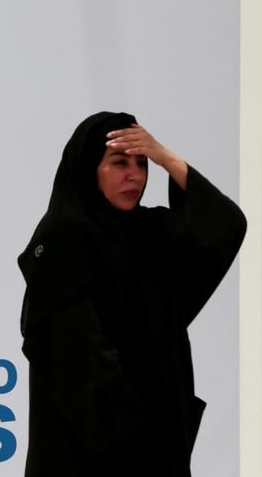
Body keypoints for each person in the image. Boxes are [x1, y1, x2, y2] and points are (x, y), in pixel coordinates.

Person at [18, 112, 246, 477]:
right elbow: (78, 356)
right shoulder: (65, 236)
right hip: (94, 451)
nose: (134, 176)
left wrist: (164, 156)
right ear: (88, 168)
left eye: (141, 164)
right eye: (119, 163)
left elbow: (226, 225)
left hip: (152, 445)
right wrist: (134, 436)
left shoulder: (147, 232)